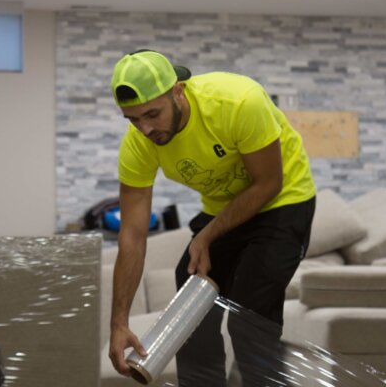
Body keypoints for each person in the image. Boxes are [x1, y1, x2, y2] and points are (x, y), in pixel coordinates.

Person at [107, 49, 316, 386]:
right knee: (189, 311)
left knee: (249, 318)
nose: (145, 128)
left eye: (152, 114)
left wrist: (206, 235)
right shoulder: (139, 144)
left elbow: (268, 184)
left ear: (178, 91)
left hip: (283, 200)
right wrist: (119, 324)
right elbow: (131, 236)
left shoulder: (238, 102)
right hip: (225, 209)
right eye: (133, 119)